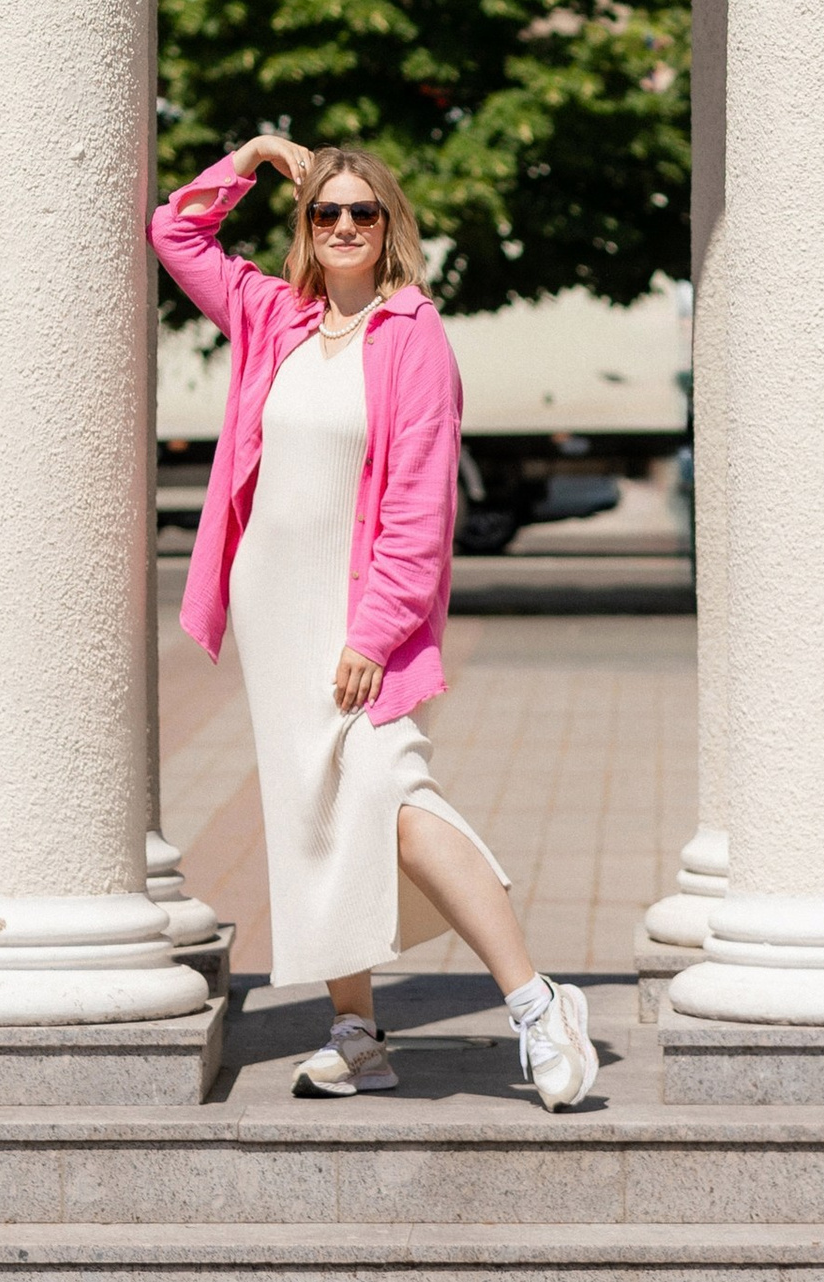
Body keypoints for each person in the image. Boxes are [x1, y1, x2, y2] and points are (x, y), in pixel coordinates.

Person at [154, 131, 600, 1111]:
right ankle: (357, 1033)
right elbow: (174, 235)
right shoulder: (275, 314)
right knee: (308, 817)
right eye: (326, 211)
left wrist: (374, 629)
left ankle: (537, 1002)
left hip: (353, 617)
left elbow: (418, 505)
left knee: (390, 796)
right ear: (305, 229)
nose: (345, 225)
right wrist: (252, 161)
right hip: (275, 604)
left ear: (390, 226)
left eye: (363, 211)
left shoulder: (413, 335)